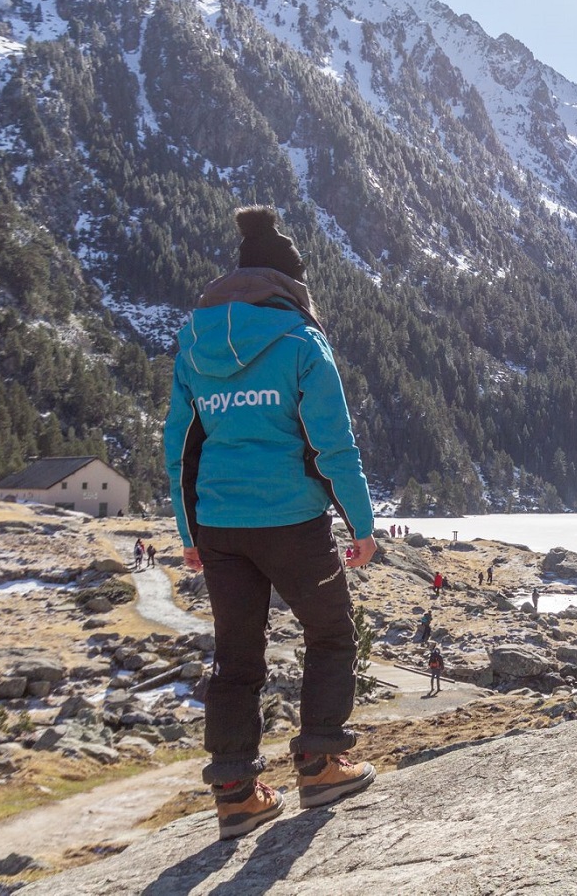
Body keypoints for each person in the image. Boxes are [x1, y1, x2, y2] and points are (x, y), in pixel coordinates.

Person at [164, 205, 378, 841]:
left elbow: (180, 444)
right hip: (291, 522)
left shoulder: (193, 342)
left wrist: (188, 534)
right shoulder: (300, 341)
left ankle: (235, 793)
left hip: (221, 528)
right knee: (331, 634)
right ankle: (320, 763)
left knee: (235, 659)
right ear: (290, 284)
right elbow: (334, 443)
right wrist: (360, 524)